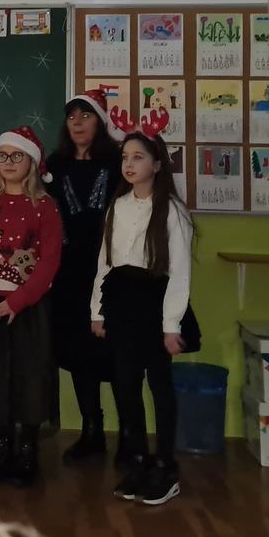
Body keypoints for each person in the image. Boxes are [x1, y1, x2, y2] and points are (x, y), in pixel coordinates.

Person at [92, 115, 193, 507]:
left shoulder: (172, 211)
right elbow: (105, 263)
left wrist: (171, 325)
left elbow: (179, 272)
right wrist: (98, 311)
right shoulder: (117, 207)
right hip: (122, 303)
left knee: (160, 387)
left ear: (157, 163)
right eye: (125, 157)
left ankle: (165, 466)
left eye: (138, 157)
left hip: (155, 304)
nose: (129, 164)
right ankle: (138, 460)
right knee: (126, 386)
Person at [0, 126, 62, 488]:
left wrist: (16, 303)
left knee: (29, 376)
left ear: (31, 163)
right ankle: (3, 446)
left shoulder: (45, 208)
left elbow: (49, 263)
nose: (8, 162)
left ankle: (28, 449)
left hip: (28, 310)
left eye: (16, 156)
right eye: (2, 155)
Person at [44, 90, 129, 466]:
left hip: (112, 271)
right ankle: (91, 430)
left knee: (117, 354)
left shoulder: (117, 162)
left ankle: (129, 433)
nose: (77, 123)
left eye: (86, 116)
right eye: (71, 117)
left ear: (100, 122)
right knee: (79, 354)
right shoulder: (55, 164)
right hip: (68, 274)